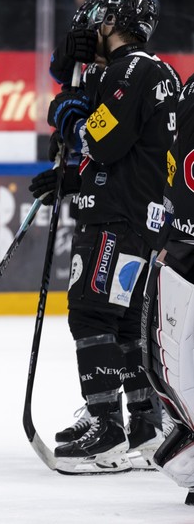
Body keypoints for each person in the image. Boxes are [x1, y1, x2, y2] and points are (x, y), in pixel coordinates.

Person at [33, 0, 179, 475]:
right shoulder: (146, 71)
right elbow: (129, 154)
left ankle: (107, 429)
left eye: (97, 17)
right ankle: (143, 421)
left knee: (91, 313)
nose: (88, 24)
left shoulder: (131, 70)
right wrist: (71, 178)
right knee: (122, 322)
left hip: (119, 218)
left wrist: (74, 108)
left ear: (116, 21)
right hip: (135, 212)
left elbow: (102, 138)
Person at [146, 72, 194, 504]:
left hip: (185, 244)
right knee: (170, 364)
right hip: (182, 244)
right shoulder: (189, 86)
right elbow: (176, 169)